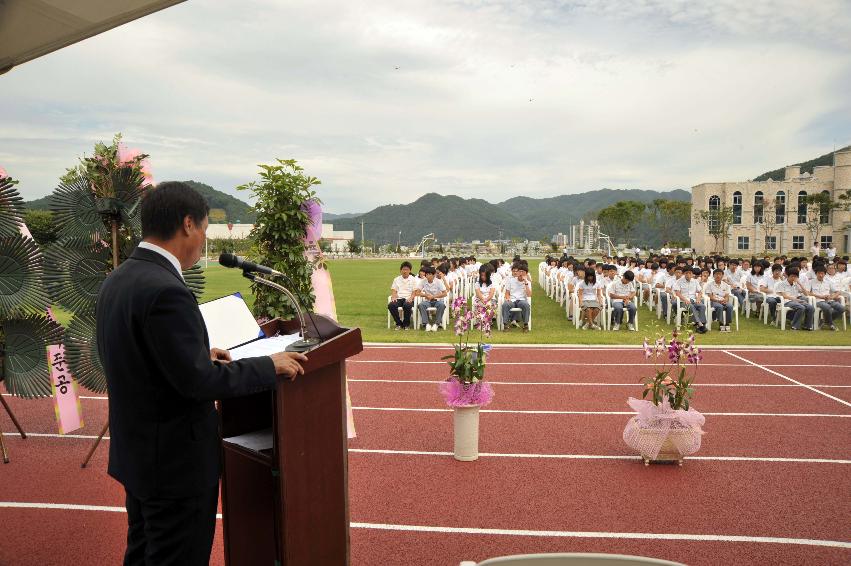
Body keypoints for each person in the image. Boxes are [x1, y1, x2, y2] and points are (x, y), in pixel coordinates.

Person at [96, 182, 307, 566]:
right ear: (188, 224)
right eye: (206, 230)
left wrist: (194, 355)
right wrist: (267, 365)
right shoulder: (166, 290)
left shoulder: (119, 279)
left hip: (140, 455)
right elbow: (198, 384)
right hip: (175, 465)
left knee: (143, 553)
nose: (204, 240)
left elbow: (135, 357)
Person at [808, 265, 843, 331]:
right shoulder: (811, 282)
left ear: (825, 274)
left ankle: (825, 321)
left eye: (822, 273)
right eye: (819, 273)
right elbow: (807, 293)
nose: (821, 275)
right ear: (816, 274)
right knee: (827, 307)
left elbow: (838, 291)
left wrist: (832, 297)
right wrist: (820, 296)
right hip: (818, 301)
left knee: (841, 308)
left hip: (829, 300)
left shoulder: (828, 282)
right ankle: (831, 323)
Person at [674, 267, 708, 333]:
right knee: (691, 306)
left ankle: (700, 325)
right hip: (683, 301)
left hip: (693, 300)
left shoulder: (695, 281)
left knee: (702, 306)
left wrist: (698, 298)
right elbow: (677, 293)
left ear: (692, 274)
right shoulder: (679, 281)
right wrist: (685, 300)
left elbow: (700, 291)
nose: (688, 275)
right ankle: (700, 324)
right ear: (684, 274)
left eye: (690, 273)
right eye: (686, 273)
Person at [501, 262, 532, 331]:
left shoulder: (527, 283)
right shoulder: (511, 280)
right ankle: (505, 325)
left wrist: (526, 283)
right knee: (505, 304)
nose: (521, 273)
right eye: (519, 271)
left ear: (526, 273)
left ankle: (526, 325)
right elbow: (507, 292)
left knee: (526, 305)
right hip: (512, 299)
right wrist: (507, 298)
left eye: (523, 272)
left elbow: (529, 295)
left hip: (522, 300)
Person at [416, 266, 447, 331]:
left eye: (429, 274)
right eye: (426, 274)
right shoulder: (423, 281)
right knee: (421, 305)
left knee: (442, 305)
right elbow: (417, 292)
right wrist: (425, 295)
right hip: (427, 301)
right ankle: (426, 324)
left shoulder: (438, 282)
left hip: (437, 300)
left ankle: (437, 324)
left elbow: (445, 293)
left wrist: (434, 296)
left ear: (434, 275)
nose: (427, 276)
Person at [388, 261, 417, 330]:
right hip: (399, 298)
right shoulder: (397, 279)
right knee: (391, 305)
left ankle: (406, 324)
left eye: (407, 269)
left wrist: (411, 298)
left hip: (408, 298)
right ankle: (399, 323)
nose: (405, 271)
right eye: (403, 269)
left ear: (410, 270)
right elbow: (394, 290)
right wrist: (394, 297)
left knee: (407, 305)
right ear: (400, 270)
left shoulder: (413, 279)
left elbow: (414, 292)